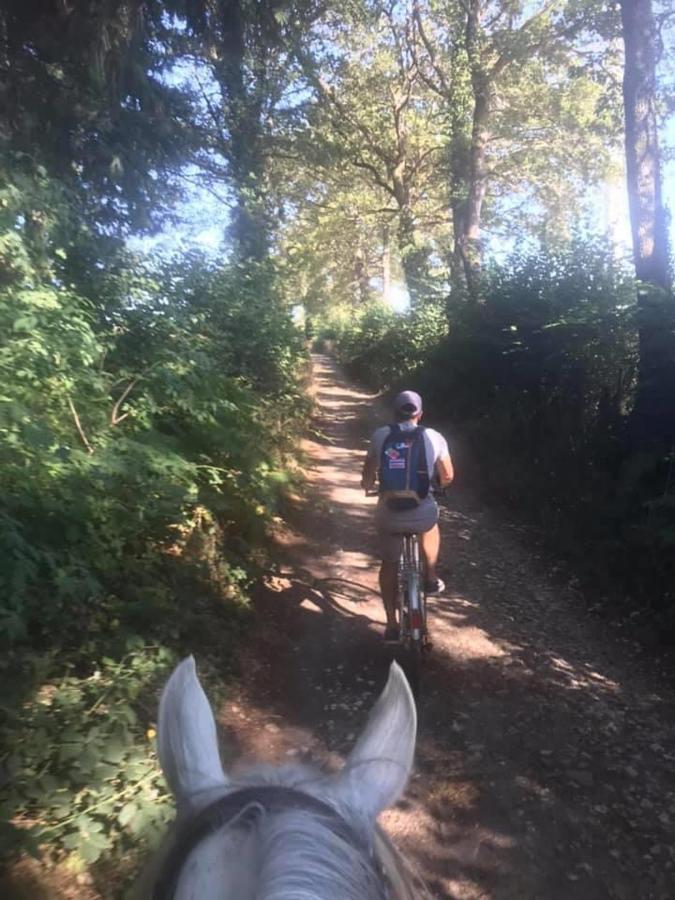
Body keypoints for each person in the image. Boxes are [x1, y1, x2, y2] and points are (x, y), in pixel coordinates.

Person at [361, 390, 454, 642]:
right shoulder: (434, 437)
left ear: (394, 412)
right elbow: (447, 476)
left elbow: (368, 475)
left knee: (389, 564)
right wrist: (438, 487)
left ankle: (391, 625)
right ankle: (431, 576)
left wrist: (367, 485)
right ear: (420, 414)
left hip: (389, 513)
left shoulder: (381, 435)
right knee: (431, 523)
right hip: (421, 511)